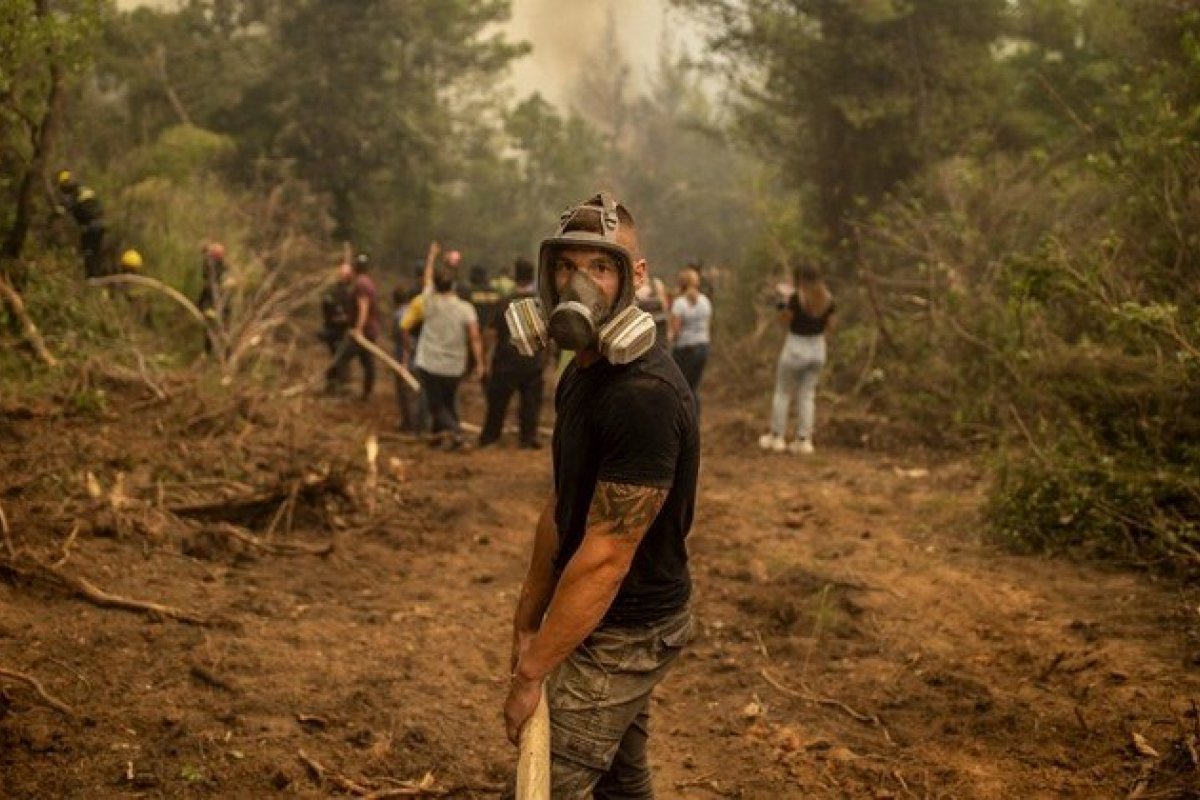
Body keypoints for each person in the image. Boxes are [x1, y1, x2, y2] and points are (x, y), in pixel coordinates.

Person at [503, 193, 699, 797]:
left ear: (635, 277)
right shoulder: (581, 371)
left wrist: (531, 674)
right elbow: (562, 511)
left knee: (549, 783)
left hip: (627, 628)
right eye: (566, 266)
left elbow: (608, 556)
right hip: (592, 613)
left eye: (601, 267)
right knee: (620, 780)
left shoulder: (644, 395)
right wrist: (527, 622)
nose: (577, 284)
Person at [758, 264, 836, 455]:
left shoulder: (796, 299)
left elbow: (784, 321)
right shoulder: (828, 300)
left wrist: (782, 305)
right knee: (807, 394)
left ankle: (777, 436)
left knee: (783, 391)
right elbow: (831, 327)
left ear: (801, 279)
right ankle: (804, 440)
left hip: (796, 346)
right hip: (818, 347)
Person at [412, 242, 483, 450]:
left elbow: (426, 279)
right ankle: (439, 438)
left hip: (430, 364)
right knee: (448, 402)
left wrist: (431, 256)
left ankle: (456, 434)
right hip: (454, 366)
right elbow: (475, 338)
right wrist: (479, 363)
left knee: (436, 405)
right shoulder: (466, 309)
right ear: (454, 286)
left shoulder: (429, 302)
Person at [478, 257, 545, 449]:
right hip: (532, 361)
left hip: (506, 362)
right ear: (532, 276)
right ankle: (528, 438)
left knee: (497, 403)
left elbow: (490, 333)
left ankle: (490, 438)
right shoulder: (540, 304)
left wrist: (484, 358)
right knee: (531, 403)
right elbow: (548, 336)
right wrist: (543, 359)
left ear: (515, 276)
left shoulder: (505, 303)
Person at [325, 253, 379, 399]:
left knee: (342, 358)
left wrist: (358, 329)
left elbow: (363, 307)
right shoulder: (368, 282)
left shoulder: (361, 284)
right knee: (367, 362)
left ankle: (342, 389)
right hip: (370, 329)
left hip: (362, 331)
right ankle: (367, 393)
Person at [669, 266, 712, 402]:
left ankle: (685, 420)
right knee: (693, 388)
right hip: (703, 347)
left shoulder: (679, 304)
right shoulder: (705, 301)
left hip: (685, 350)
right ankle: (695, 420)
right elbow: (707, 325)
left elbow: (676, 331)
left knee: (682, 389)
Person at [56, 170, 107, 279]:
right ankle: (97, 276)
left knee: (89, 251)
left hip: (91, 226)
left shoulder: (75, 194)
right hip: (100, 224)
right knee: (96, 252)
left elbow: (67, 208)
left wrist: (58, 211)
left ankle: (92, 278)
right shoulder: (85, 189)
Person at [391, 283, 421, 433]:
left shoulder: (399, 315)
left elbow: (405, 340)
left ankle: (411, 425)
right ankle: (411, 423)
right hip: (417, 357)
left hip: (405, 359)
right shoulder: (413, 312)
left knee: (406, 394)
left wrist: (404, 359)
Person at [197, 242, 228, 354]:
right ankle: (209, 350)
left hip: (216, 297)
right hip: (211, 297)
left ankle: (212, 350)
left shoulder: (221, 266)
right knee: (210, 324)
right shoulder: (210, 264)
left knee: (215, 326)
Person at [635, 265, 671, 347]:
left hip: (660, 327)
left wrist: (669, 329)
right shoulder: (633, 287)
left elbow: (665, 307)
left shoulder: (655, 283)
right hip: (643, 329)